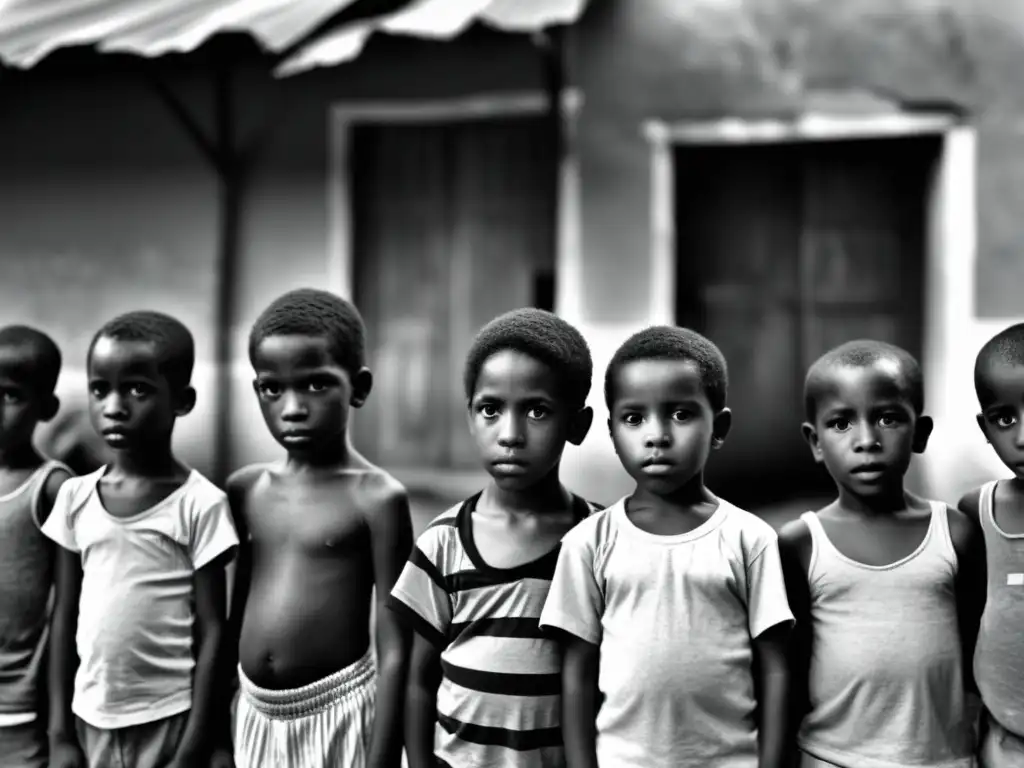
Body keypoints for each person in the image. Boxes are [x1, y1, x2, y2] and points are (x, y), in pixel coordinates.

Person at [540, 325, 794, 768]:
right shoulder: (588, 543)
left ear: (720, 427)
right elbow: (577, 673)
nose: (656, 435)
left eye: (680, 414)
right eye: (634, 418)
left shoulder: (750, 540)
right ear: (614, 433)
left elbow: (774, 667)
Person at [389, 307, 600, 768]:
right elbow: (418, 680)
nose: (510, 434)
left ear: (577, 426)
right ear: (470, 417)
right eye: (491, 409)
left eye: (537, 411)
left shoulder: (598, 540)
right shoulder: (442, 544)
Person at [220, 288, 413, 768]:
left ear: (359, 388)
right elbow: (233, 616)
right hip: (254, 715)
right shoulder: (247, 490)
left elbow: (395, 643)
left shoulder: (378, 498)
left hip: (340, 714)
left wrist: (383, 756)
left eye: (315, 385)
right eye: (273, 388)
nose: (292, 408)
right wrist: (220, 738)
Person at [43, 310, 239, 768]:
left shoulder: (199, 503)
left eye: (137, 389)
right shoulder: (75, 497)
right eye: (99, 389)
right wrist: (59, 735)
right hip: (88, 719)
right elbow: (63, 616)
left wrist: (196, 744)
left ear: (182, 400)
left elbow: (214, 632)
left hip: (168, 720)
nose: (114, 405)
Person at [779, 339, 984, 768]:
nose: (867, 440)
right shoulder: (801, 543)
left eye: (888, 418)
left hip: (941, 758)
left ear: (920, 433)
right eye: (841, 424)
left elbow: (975, 654)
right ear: (814, 442)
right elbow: (790, 670)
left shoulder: (956, 534)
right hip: (830, 756)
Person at [0, 326, 74, 768]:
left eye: (10, 395)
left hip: (19, 710)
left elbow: (68, 608)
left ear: (46, 408)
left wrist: (59, 729)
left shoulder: (50, 487)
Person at [959, 323, 1024, 767]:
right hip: (1002, 741)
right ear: (985, 427)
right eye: (1005, 418)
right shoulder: (978, 512)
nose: (1022, 437)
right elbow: (964, 623)